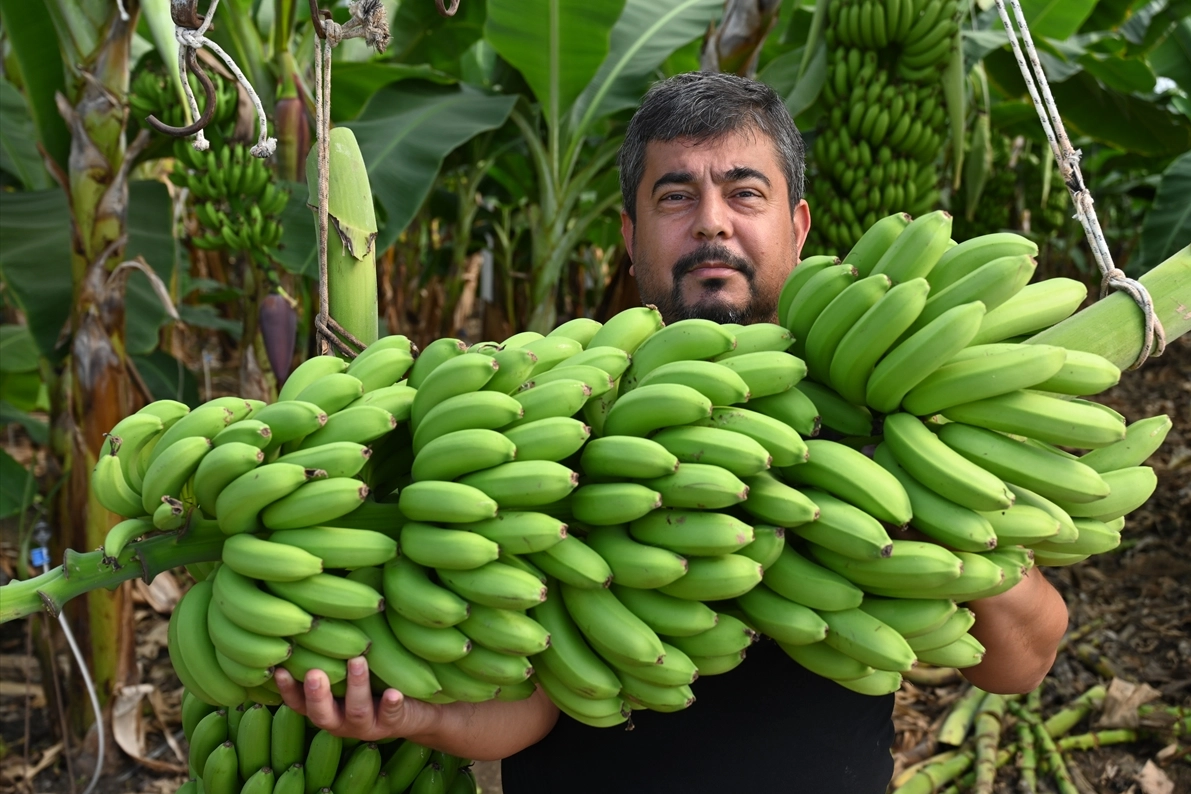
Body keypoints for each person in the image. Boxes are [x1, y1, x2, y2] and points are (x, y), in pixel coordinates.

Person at [275, 71, 1069, 793]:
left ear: (797, 226)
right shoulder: (551, 414)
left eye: (743, 193)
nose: (710, 224)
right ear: (628, 236)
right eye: (675, 196)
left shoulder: (879, 412)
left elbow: (1019, 660)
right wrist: (423, 719)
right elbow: (543, 700)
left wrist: (932, 496)